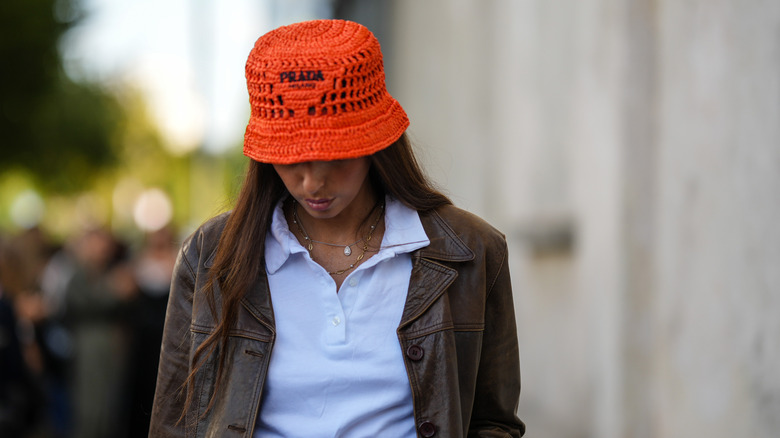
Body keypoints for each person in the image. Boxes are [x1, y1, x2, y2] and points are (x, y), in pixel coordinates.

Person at [149, 19, 524, 438]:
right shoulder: (212, 255)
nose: (313, 182)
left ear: (376, 142)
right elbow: (175, 423)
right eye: (291, 157)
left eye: (335, 155)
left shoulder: (471, 250)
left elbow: (494, 423)